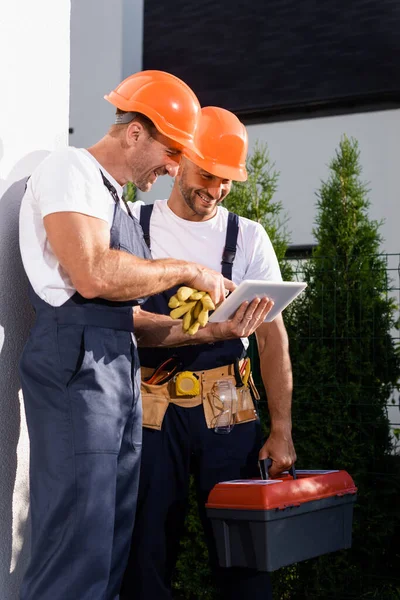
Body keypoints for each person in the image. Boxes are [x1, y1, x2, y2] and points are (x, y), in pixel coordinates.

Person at [18, 71, 265, 600]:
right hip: (77, 366)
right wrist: (186, 271)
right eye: (172, 151)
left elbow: (129, 321)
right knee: (76, 546)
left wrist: (213, 330)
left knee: (109, 551)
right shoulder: (70, 170)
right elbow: (91, 274)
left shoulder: (113, 197)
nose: (175, 166)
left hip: (116, 368)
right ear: (134, 133)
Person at [121, 107, 297, 600]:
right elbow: (128, 325)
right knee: (145, 554)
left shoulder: (249, 237)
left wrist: (281, 431)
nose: (215, 190)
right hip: (152, 412)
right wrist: (204, 330)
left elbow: (272, 338)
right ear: (178, 161)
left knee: (244, 560)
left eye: (226, 181)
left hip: (230, 408)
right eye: (206, 175)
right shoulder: (135, 224)